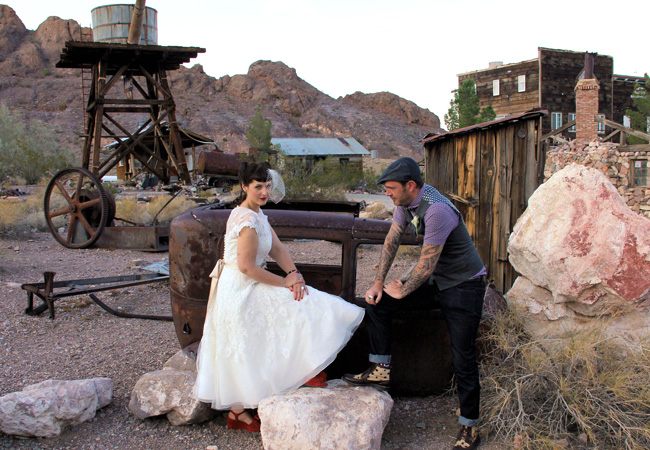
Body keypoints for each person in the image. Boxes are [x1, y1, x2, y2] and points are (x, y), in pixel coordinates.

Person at [193, 161, 364, 432]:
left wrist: (296, 274)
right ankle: (241, 410)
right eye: (258, 186)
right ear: (244, 187)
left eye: (268, 186)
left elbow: (278, 249)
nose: (264, 191)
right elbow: (247, 267)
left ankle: (303, 370)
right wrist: (285, 282)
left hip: (251, 281)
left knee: (305, 297)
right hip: (240, 288)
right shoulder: (246, 219)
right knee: (291, 306)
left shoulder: (258, 214)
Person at [342, 157, 486, 450]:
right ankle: (380, 368)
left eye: (391, 188)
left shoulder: (437, 211)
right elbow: (392, 240)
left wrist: (403, 288)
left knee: (463, 357)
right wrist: (380, 282)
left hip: (464, 287)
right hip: (439, 281)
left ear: (410, 185)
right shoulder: (405, 203)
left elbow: (425, 266)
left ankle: (470, 427)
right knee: (377, 302)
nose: (387, 194)